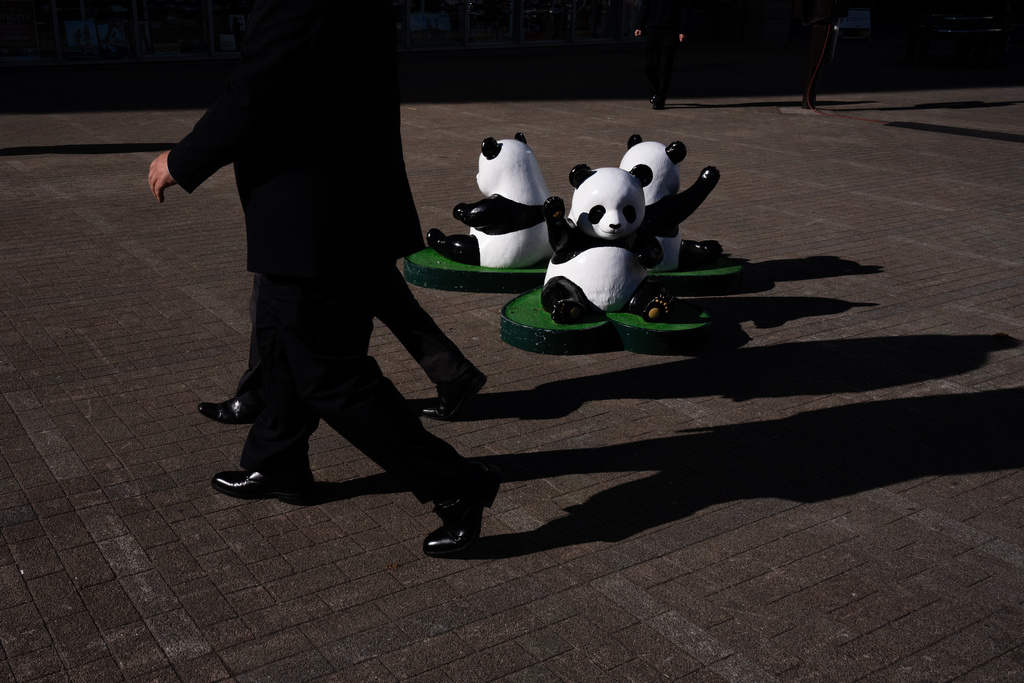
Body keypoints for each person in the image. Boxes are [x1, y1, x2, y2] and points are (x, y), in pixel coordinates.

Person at [147, 0, 498, 557]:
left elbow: (257, 88)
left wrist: (183, 159)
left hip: (315, 218)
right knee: (287, 348)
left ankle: (456, 484)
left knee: (330, 376)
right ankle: (276, 463)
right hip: (336, 209)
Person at [199, 270, 486, 425]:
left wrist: (183, 163)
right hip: (346, 188)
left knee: (274, 283)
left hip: (315, 189)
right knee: (376, 279)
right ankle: (452, 371)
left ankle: (260, 398)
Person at [634, 0, 689, 110]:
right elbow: (645, 7)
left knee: (665, 66)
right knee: (648, 65)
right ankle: (658, 88)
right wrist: (639, 25)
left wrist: (683, 31)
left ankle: (660, 99)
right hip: (652, 30)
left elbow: (685, 11)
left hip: (670, 31)